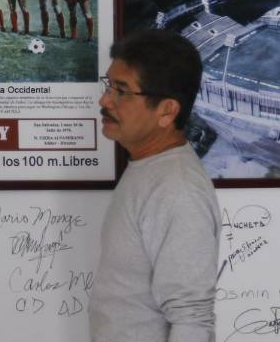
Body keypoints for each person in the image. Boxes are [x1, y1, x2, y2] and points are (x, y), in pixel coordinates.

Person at [89, 30, 219, 342]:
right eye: (109, 85)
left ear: (167, 111)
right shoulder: (149, 168)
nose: (104, 100)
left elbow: (192, 321)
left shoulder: (177, 190)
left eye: (122, 91)